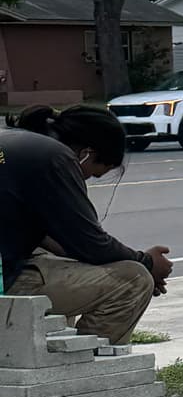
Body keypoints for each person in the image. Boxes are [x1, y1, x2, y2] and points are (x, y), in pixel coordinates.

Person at [0, 105, 173, 344]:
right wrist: (147, 262)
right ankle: (81, 369)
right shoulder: (56, 157)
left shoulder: (14, 144)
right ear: (86, 154)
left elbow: (60, 241)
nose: (84, 180)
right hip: (4, 282)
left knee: (68, 265)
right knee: (133, 281)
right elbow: (92, 244)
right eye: (93, 174)